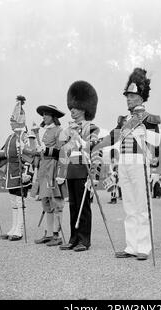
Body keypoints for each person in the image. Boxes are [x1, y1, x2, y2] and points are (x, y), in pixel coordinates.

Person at [92, 68, 161, 261]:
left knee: (142, 206)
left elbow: (157, 144)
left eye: (132, 96)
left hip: (141, 164)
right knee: (129, 207)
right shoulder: (123, 120)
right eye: (127, 96)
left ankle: (144, 247)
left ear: (141, 97)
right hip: (124, 163)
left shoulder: (149, 119)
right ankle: (131, 246)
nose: (128, 99)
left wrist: (156, 170)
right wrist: (95, 146)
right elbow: (113, 137)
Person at [0, 96, 34, 241]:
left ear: (19, 122)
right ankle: (13, 228)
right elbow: (3, 154)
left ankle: (20, 230)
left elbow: (31, 155)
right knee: (13, 202)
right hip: (11, 174)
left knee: (20, 201)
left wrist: (27, 173)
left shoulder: (26, 137)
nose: (10, 124)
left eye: (12, 121)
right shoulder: (10, 137)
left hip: (21, 174)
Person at [58, 81, 102, 252]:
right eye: (71, 107)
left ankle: (84, 239)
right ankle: (73, 238)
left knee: (84, 207)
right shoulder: (67, 130)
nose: (73, 111)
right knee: (73, 206)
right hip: (71, 170)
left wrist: (78, 138)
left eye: (76, 107)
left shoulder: (92, 127)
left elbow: (92, 147)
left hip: (84, 169)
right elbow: (63, 151)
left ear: (84, 108)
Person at [33, 104, 67, 246]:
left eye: (46, 114)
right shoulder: (44, 131)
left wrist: (46, 150)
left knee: (56, 201)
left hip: (53, 168)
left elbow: (61, 151)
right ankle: (48, 233)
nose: (44, 117)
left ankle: (57, 235)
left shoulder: (59, 131)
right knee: (45, 201)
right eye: (43, 114)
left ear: (53, 116)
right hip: (43, 168)